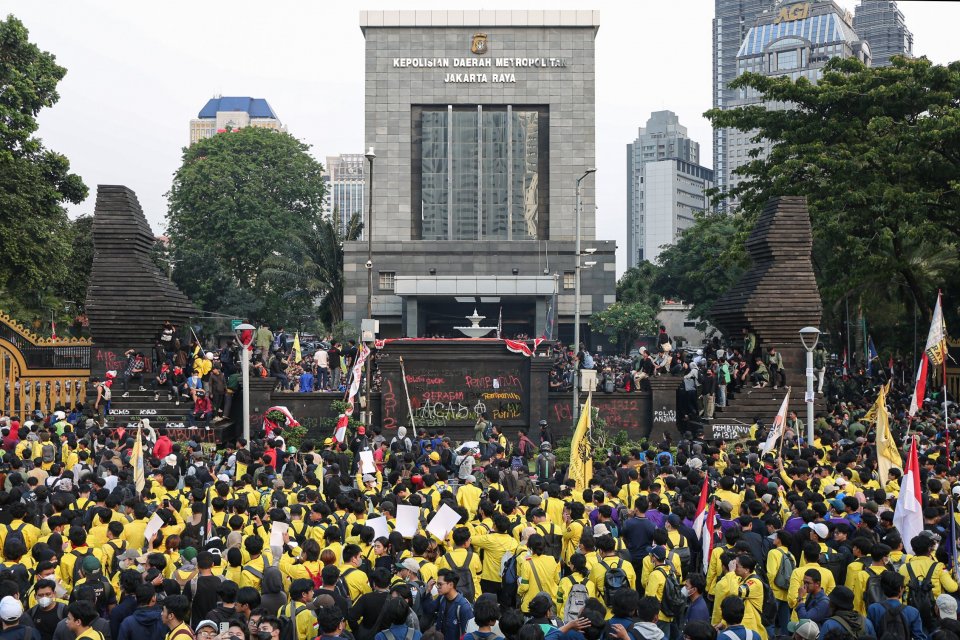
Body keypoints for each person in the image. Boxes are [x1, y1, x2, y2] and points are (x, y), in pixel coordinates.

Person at [422, 570, 473, 640]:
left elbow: (468, 634)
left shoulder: (463, 606)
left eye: (440, 584)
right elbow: (428, 609)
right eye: (437, 584)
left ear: (451, 585)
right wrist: (428, 590)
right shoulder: (442, 598)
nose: (437, 587)